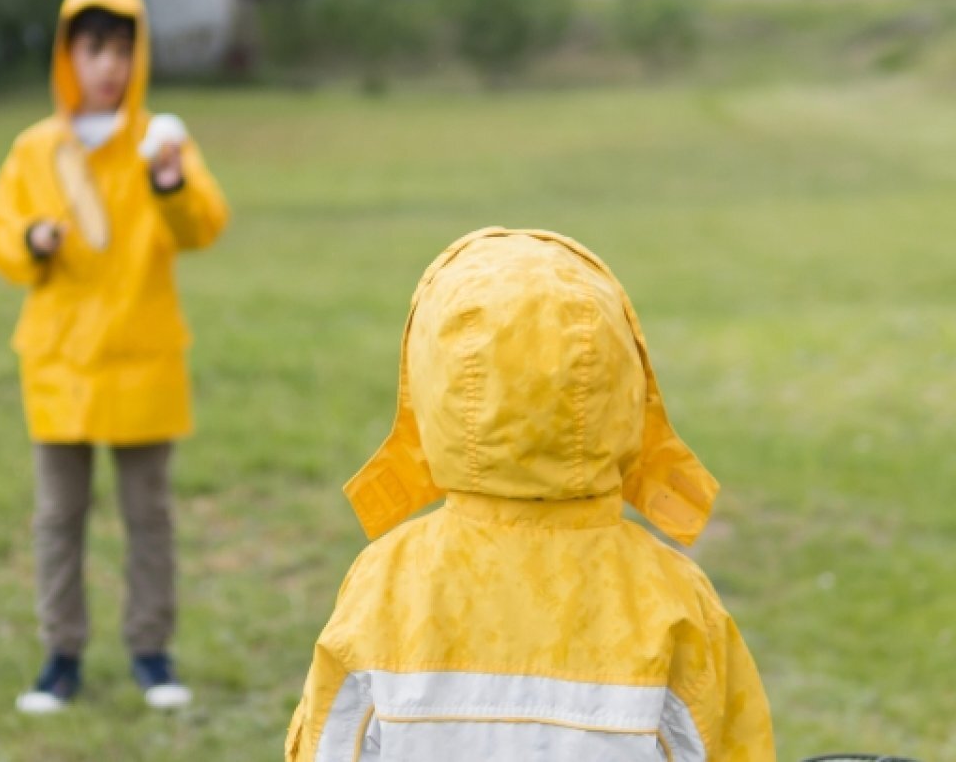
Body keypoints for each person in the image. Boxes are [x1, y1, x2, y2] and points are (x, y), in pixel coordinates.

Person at [286, 229, 775, 761]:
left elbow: (327, 747)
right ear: (624, 378)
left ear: (431, 381)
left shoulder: (383, 582)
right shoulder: (675, 596)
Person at [0, 0, 228, 714]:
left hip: (144, 357)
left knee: (149, 516)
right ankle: (61, 655)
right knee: (59, 518)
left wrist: (172, 184)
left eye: (122, 49)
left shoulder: (161, 143)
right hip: (59, 365)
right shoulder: (35, 150)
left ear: (138, 56)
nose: (109, 65)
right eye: (94, 49)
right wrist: (32, 240)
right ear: (68, 55)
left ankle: (151, 650)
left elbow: (203, 226)